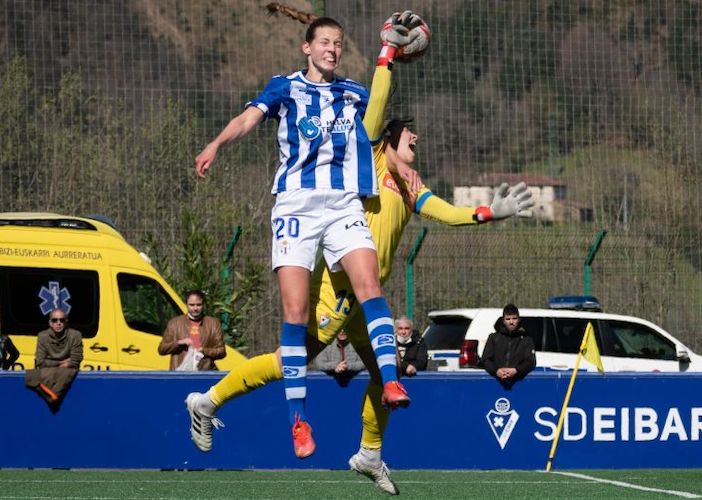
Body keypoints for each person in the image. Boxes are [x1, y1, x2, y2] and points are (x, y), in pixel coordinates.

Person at [185, 10, 533, 493]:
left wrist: (489, 212)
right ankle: (211, 401)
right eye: (409, 136)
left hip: (363, 294)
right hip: (337, 292)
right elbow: (371, 124)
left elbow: (447, 212)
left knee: (381, 371)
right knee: (289, 357)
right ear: (390, 142)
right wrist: (387, 57)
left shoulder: (410, 185)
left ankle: (370, 451)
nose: (416, 141)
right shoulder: (365, 157)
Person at [194, 14, 413, 458]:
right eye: (325, 41)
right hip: (296, 205)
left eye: (338, 42)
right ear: (306, 48)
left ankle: (390, 378)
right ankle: (298, 422)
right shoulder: (284, 87)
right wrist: (217, 143)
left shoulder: (352, 93)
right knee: (295, 315)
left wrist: (388, 56)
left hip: (342, 205)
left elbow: (376, 126)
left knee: (369, 284)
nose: (332, 48)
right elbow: (247, 118)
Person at [158, 290, 226, 371]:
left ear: (203, 305)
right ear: (186, 304)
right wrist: (179, 343)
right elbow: (162, 349)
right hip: (180, 374)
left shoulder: (213, 323)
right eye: (192, 305)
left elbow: (221, 351)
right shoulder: (174, 323)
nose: (195, 308)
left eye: (198, 305)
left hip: (204, 372)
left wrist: (204, 350)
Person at [481, 303, 536, 388]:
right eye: (508, 319)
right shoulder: (494, 337)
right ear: (503, 320)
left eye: (514, 318)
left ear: (519, 319)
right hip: (495, 383)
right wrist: (496, 371)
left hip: (519, 383)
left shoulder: (526, 339)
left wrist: (516, 370)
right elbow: (485, 360)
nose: (511, 322)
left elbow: (530, 362)